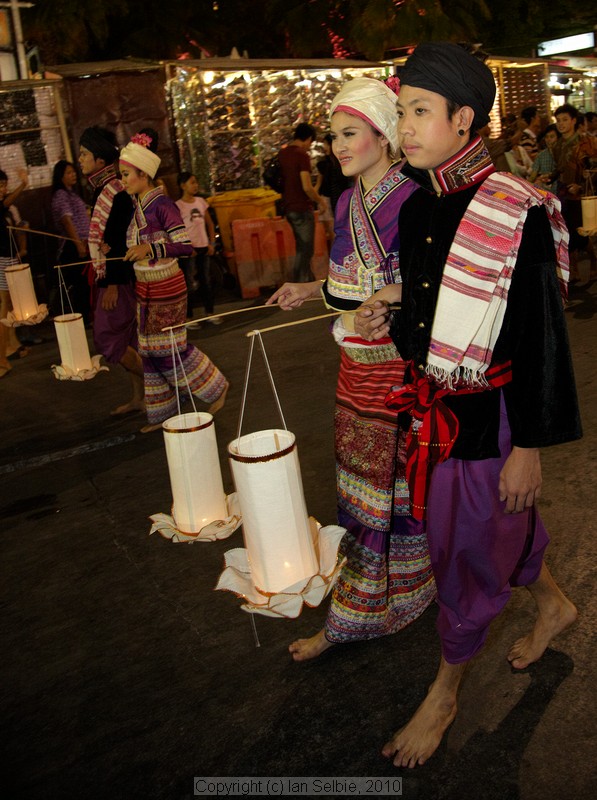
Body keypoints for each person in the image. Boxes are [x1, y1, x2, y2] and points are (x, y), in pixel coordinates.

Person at [355, 41, 582, 768]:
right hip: (435, 410)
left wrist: (528, 450)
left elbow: (542, 339)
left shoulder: (511, 209)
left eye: (419, 112)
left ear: (463, 118)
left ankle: (446, 691)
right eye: (400, 113)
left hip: (492, 419)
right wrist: (390, 309)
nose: (404, 128)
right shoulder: (423, 199)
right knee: (494, 530)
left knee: (464, 552)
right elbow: (432, 312)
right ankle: (554, 605)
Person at [267, 77, 435, 661]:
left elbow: (427, 281)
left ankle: (362, 612)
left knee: (391, 487)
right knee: (363, 488)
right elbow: (348, 286)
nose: (337, 147)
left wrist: (386, 301)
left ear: (384, 135)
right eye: (334, 136)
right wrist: (309, 289)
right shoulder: (345, 201)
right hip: (354, 363)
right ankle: (381, 597)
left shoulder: (414, 196)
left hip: (397, 368)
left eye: (349, 134)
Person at [119, 133, 228, 433]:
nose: (123, 180)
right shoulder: (139, 205)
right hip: (146, 285)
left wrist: (149, 249)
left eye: (126, 174)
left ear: (144, 174)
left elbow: (184, 246)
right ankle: (166, 413)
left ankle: (216, 386)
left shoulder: (162, 205)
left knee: (168, 348)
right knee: (149, 349)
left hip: (166, 285)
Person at [78, 126, 143, 416]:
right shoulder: (105, 190)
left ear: (101, 160)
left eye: (84, 154)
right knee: (129, 340)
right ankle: (141, 398)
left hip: (118, 279)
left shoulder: (114, 192)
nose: (80, 159)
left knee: (107, 338)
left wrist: (113, 284)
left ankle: (163, 385)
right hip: (115, 275)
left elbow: (118, 241)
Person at [278, 122, 324, 282]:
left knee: (301, 247)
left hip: (288, 206)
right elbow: (306, 186)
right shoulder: (301, 155)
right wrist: (320, 201)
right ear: (308, 138)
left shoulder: (283, 153)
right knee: (305, 250)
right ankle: (300, 283)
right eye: (311, 142)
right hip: (301, 207)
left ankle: (307, 281)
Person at [50, 160, 91, 324]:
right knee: (80, 283)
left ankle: (87, 316)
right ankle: (83, 318)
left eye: (74, 171)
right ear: (60, 176)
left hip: (82, 242)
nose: (73, 174)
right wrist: (78, 244)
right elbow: (66, 220)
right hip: (72, 245)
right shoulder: (61, 195)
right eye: (68, 172)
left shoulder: (72, 193)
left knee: (84, 282)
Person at [175, 171, 220, 323]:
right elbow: (177, 229)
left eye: (196, 182)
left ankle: (209, 313)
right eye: (192, 182)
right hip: (189, 250)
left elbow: (210, 224)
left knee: (205, 280)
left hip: (204, 247)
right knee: (188, 284)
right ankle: (189, 317)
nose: (196, 185)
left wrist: (211, 243)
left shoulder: (201, 202)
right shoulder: (178, 206)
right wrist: (186, 246)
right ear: (183, 185)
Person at [0, 168, 29, 377]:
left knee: (8, 307)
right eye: (0, 186)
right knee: (4, 310)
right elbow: (5, 203)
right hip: (2, 260)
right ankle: (2, 359)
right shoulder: (3, 206)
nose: (3, 189)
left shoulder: (6, 210)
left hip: (9, 258)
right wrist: (23, 184)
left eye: (4, 185)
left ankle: (9, 349)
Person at [529, 123, 561, 193]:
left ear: (558, 138)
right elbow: (532, 176)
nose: (548, 140)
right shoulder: (541, 155)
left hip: (560, 190)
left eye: (552, 137)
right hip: (546, 192)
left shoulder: (562, 153)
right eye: (546, 137)